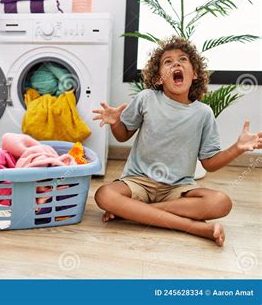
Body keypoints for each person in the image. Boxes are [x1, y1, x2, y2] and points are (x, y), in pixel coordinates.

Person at [92, 36, 261, 246]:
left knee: (221, 202)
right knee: (104, 194)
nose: (176, 64)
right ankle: (195, 227)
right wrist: (116, 122)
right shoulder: (146, 98)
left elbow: (209, 162)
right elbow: (123, 135)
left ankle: (133, 212)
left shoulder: (203, 113)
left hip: (177, 190)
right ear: (158, 78)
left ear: (195, 73)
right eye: (168, 62)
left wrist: (237, 148)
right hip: (138, 182)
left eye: (182, 59)